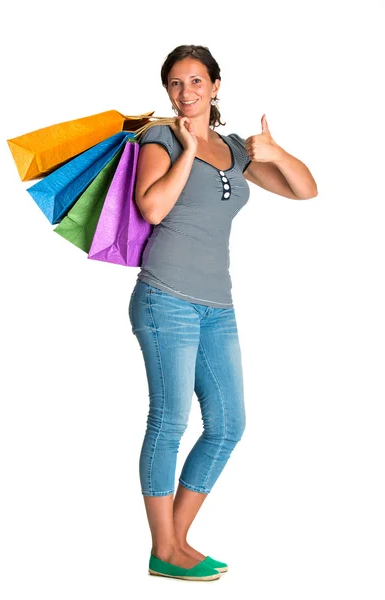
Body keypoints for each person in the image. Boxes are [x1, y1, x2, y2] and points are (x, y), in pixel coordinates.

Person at [128, 44, 318, 582]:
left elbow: (306, 191)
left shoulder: (235, 150)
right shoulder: (160, 138)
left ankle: (176, 541)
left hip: (219, 306)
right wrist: (187, 150)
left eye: (195, 81)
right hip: (166, 296)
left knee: (229, 424)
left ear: (215, 85)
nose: (185, 93)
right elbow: (153, 207)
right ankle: (163, 546)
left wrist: (275, 152)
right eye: (175, 83)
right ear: (167, 91)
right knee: (169, 421)